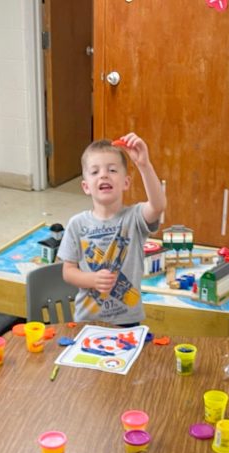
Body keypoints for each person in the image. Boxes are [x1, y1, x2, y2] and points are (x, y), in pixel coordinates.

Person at [59, 133, 167, 326]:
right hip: (87, 320)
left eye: (112, 170)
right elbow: (68, 271)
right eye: (95, 172)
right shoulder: (77, 224)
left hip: (128, 320)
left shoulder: (134, 218)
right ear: (86, 187)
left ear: (126, 182)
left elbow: (158, 205)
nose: (103, 175)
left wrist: (144, 165)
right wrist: (92, 279)